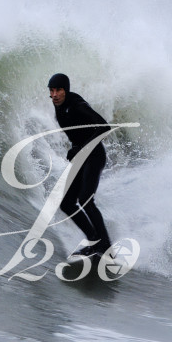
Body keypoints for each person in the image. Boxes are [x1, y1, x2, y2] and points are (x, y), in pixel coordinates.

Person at [48, 73, 112, 257]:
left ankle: (105, 246)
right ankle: (94, 241)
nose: (54, 95)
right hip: (82, 158)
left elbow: (104, 127)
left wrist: (79, 148)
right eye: (52, 90)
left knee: (85, 200)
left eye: (59, 90)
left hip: (94, 156)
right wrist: (76, 149)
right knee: (67, 203)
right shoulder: (59, 106)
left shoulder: (77, 104)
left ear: (66, 90)